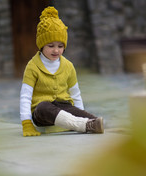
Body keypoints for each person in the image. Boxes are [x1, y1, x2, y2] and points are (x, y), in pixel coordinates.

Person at [20, 6, 104, 137]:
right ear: (41, 45)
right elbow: (25, 97)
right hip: (43, 114)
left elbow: (76, 94)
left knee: (91, 118)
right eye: (50, 46)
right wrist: (26, 123)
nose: (56, 50)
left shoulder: (68, 66)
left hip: (65, 107)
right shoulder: (32, 66)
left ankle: (86, 123)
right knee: (43, 107)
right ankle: (82, 125)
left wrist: (80, 112)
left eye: (60, 46)